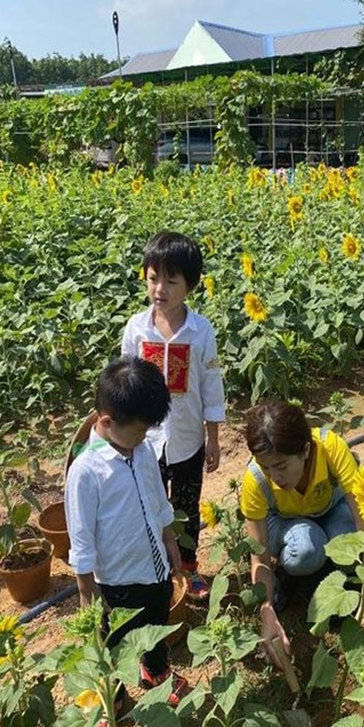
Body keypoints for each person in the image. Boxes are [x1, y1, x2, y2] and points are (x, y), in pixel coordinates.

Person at [65, 356, 187, 727]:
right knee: (115, 643)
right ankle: (113, 699)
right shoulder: (86, 472)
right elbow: (81, 537)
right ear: (105, 422)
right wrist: (87, 592)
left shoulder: (143, 449)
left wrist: (169, 536)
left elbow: (156, 495)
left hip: (154, 568)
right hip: (116, 581)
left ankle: (155, 670)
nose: (142, 439)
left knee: (156, 620)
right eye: (136, 432)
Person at [121, 231, 225, 601]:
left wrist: (213, 438)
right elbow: (126, 383)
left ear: (191, 285)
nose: (159, 288)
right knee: (148, 501)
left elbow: (211, 385)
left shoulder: (201, 331)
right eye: (153, 278)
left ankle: (189, 567)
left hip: (186, 439)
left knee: (185, 505)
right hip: (145, 440)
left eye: (170, 280)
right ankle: (155, 566)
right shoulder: (136, 328)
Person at [241, 400, 364, 667]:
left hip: (330, 508)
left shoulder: (330, 447)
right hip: (285, 521)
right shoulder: (255, 480)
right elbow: (259, 557)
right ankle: (290, 578)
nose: (274, 476)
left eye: (281, 466)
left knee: (349, 547)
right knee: (306, 550)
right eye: (266, 467)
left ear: (305, 450)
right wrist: (266, 610)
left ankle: (335, 581)